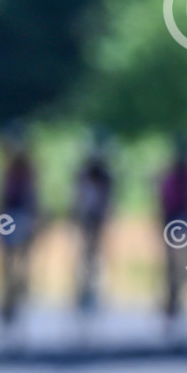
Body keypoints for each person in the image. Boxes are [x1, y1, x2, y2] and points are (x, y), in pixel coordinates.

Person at [158, 133, 187, 330]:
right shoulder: (179, 177)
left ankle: (175, 302)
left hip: (179, 223)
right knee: (178, 267)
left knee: (178, 268)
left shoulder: (185, 177)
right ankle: (174, 302)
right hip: (178, 223)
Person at [0, 130, 38, 325]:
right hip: (12, 217)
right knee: (12, 261)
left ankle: (16, 295)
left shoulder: (26, 171)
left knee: (16, 260)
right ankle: (11, 296)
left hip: (19, 217)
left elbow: (32, 197)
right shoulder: (10, 170)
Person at [71, 133, 113, 312]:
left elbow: (108, 200)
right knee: (86, 253)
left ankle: (93, 290)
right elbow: (78, 197)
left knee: (94, 254)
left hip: (96, 219)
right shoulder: (85, 173)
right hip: (87, 218)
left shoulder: (105, 175)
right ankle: (83, 289)